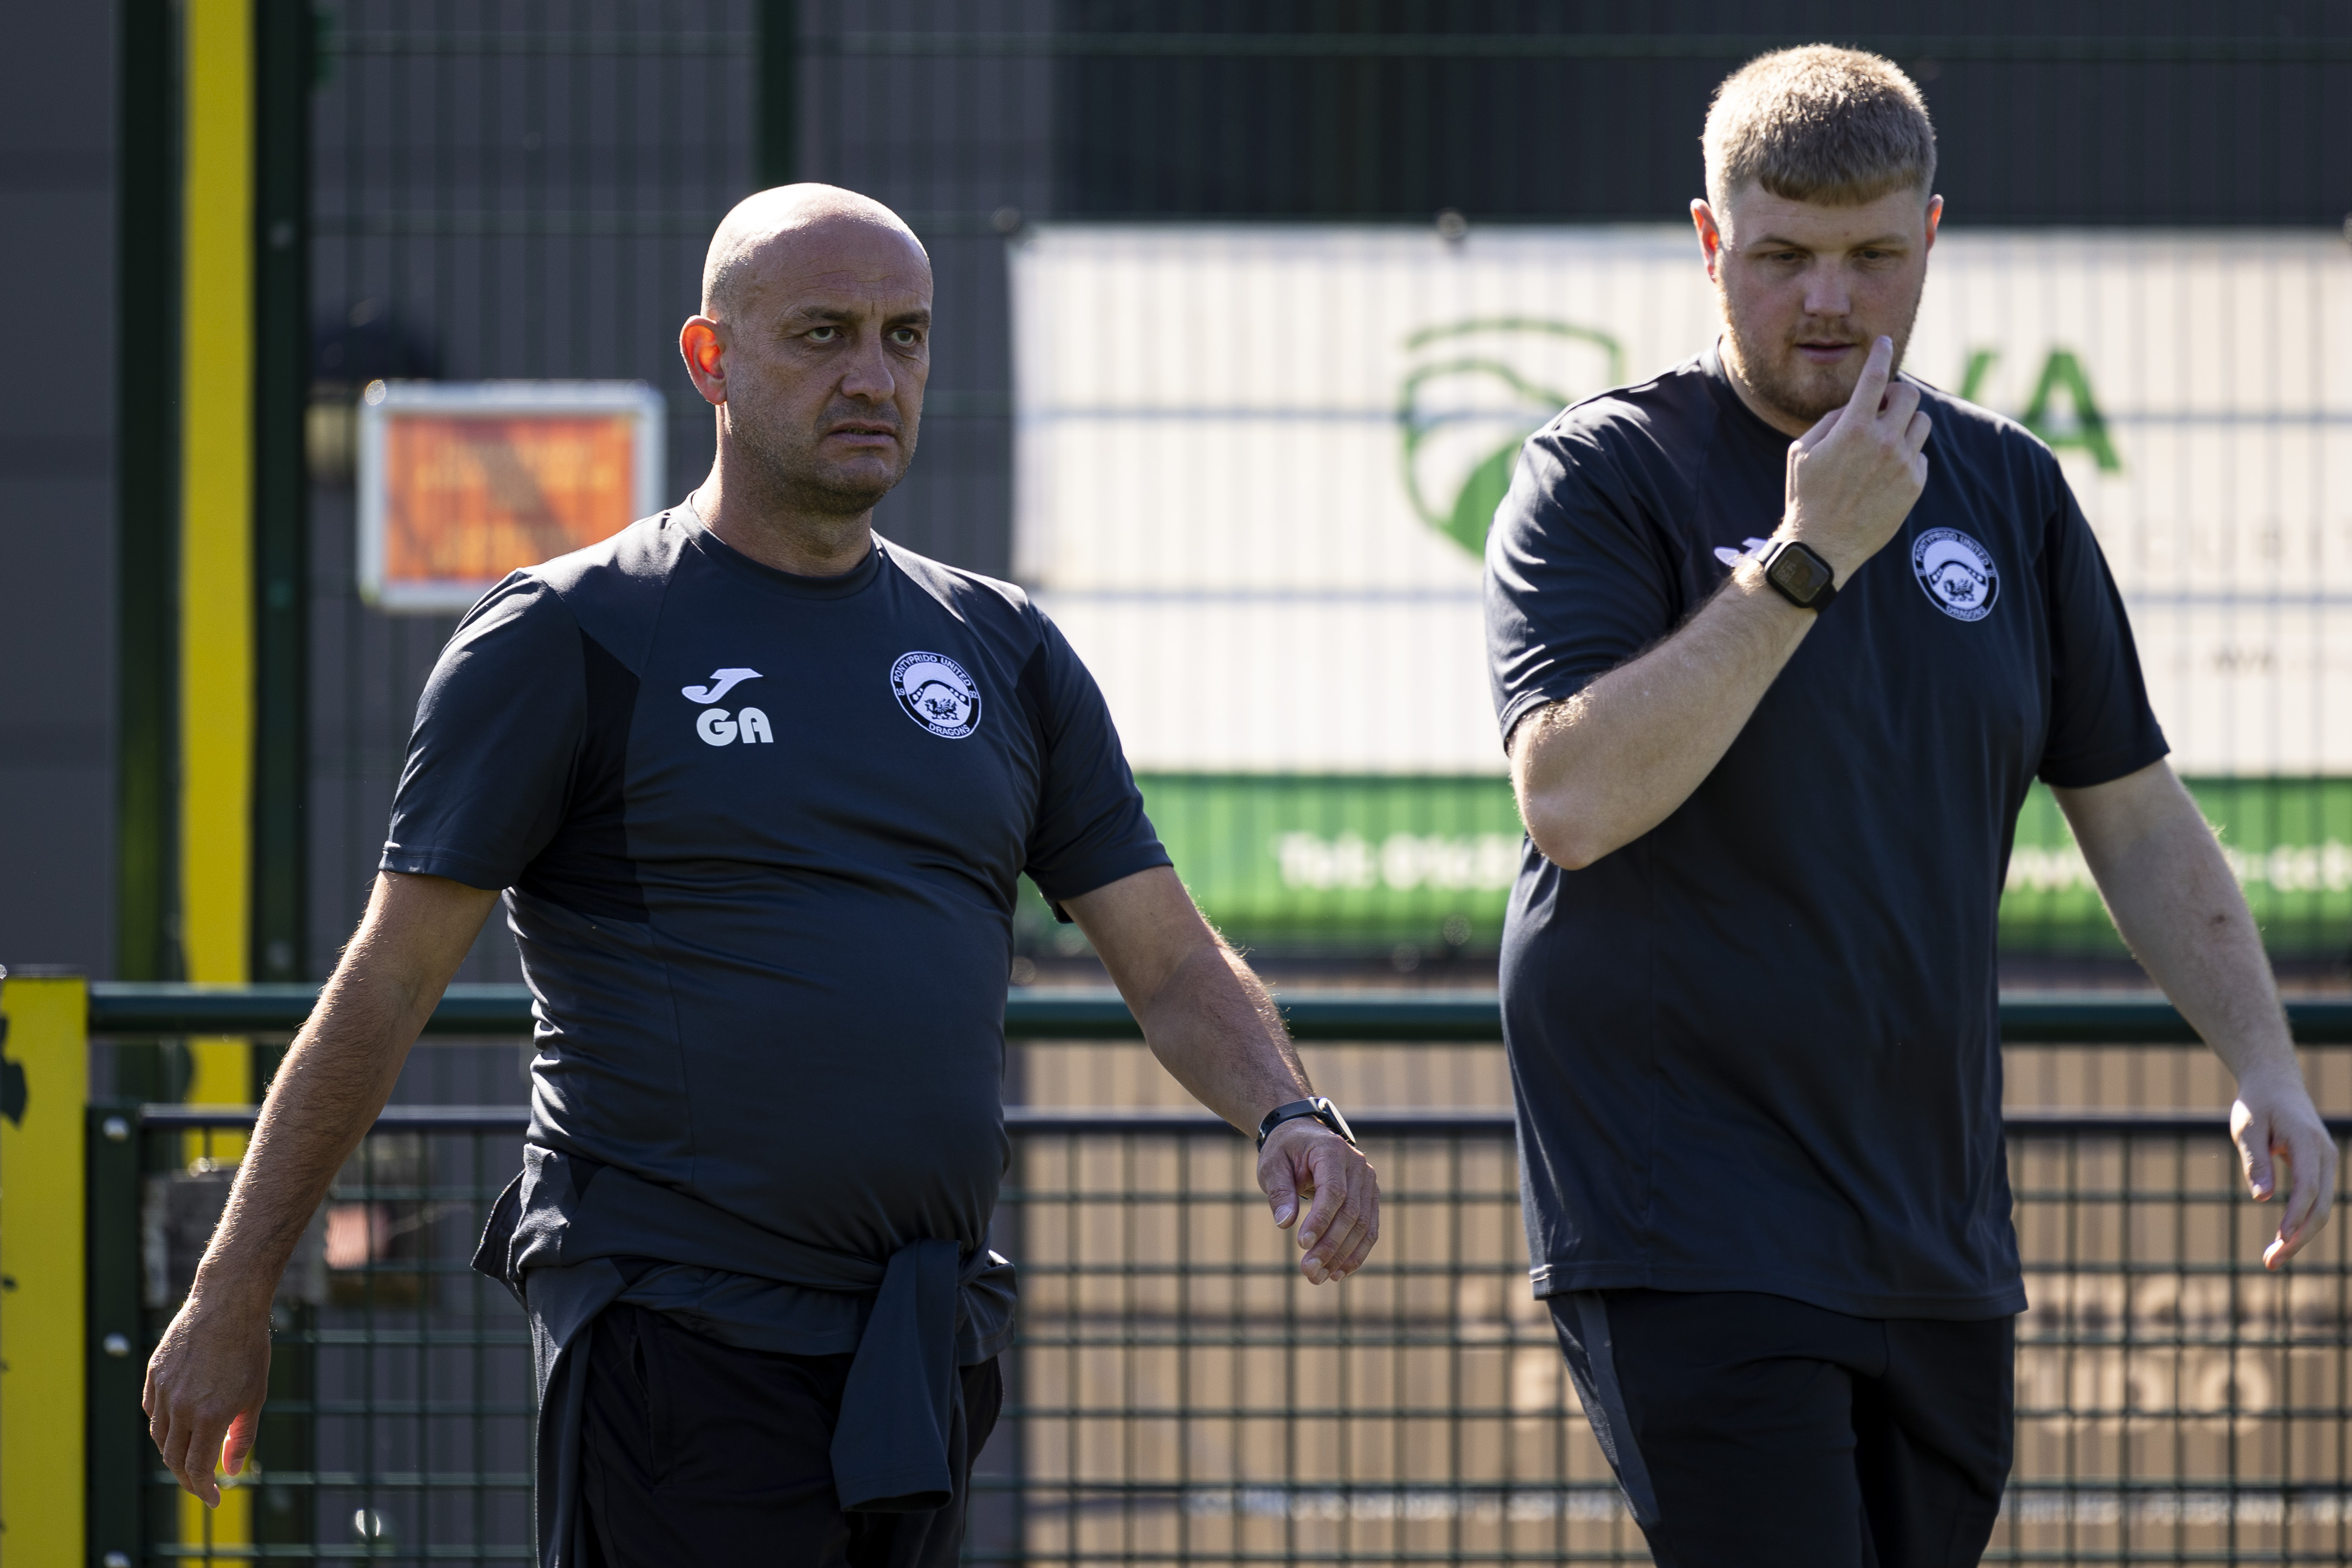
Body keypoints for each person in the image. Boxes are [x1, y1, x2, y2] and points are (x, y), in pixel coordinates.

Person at [143, 184, 1381, 1567]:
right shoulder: (570, 635)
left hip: (920, 1343)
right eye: (823, 334)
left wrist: (1288, 1111)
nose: (873, 375)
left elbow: (1163, 954)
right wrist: (233, 1288)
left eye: (905, 337)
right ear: (710, 358)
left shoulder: (1004, 650)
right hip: (679, 1341)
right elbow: (385, 984)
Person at [1484, 46, 2335, 1567]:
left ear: (1929, 240)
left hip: (1933, 1239)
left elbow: (2132, 815)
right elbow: (1571, 799)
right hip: (1688, 1216)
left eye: (1873, 258)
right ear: (1706, 243)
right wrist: (1806, 557)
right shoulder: (1605, 472)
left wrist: (2261, 1059)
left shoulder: (2009, 488)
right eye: (1783, 257)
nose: (1829, 302)